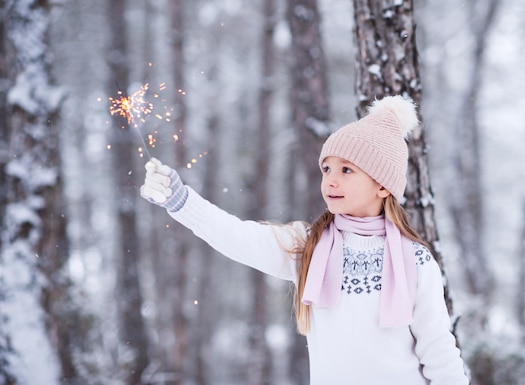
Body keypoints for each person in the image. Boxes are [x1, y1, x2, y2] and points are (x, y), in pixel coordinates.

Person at [141, 95, 469, 385]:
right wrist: (182, 201)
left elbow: (438, 350)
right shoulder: (307, 247)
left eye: (347, 170)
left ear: (383, 185)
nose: (331, 180)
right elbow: (239, 237)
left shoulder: (415, 260)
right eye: (327, 169)